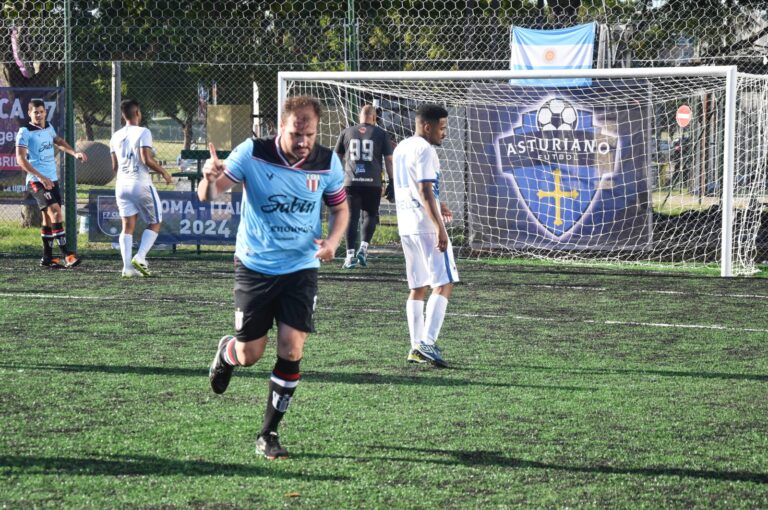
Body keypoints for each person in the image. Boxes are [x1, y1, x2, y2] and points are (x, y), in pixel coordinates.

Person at [199, 95, 349, 460]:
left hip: (301, 267)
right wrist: (209, 180)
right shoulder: (252, 152)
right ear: (281, 126)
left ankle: (268, 433)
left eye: (309, 134)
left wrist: (332, 241)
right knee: (251, 353)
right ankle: (227, 352)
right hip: (255, 265)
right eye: (297, 133)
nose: (303, 141)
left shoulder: (328, 162)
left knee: (291, 348)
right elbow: (211, 194)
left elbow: (340, 209)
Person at [392, 104, 458, 368]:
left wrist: (438, 203)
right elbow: (423, 190)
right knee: (444, 283)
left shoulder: (401, 148)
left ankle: (415, 347)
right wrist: (440, 225)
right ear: (427, 127)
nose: (445, 133)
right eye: (442, 128)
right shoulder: (424, 149)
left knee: (417, 287)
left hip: (406, 224)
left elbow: (410, 187)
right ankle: (427, 343)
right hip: (426, 225)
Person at [16, 98, 88, 269]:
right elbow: (20, 159)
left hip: (52, 179)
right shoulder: (24, 131)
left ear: (45, 112)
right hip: (36, 181)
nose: (39, 115)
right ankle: (67, 255)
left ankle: (47, 258)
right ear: (29, 114)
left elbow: (58, 141)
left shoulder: (48, 127)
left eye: (41, 111)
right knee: (56, 212)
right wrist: (40, 177)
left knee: (48, 219)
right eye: (35, 112)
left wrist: (74, 153)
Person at [110, 99, 173, 278]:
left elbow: (114, 167)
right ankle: (141, 256)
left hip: (121, 185)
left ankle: (127, 268)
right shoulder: (144, 132)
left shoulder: (115, 136)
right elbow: (146, 159)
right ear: (137, 113)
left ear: (123, 115)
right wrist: (164, 172)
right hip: (140, 183)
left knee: (127, 225)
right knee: (155, 221)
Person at [334, 104, 394, 269]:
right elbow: (389, 160)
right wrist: (392, 181)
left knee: (351, 218)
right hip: (373, 183)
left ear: (359, 116)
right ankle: (364, 248)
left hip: (351, 182)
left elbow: (335, 158)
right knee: (370, 216)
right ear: (374, 118)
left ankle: (349, 256)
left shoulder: (346, 132)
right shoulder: (381, 133)